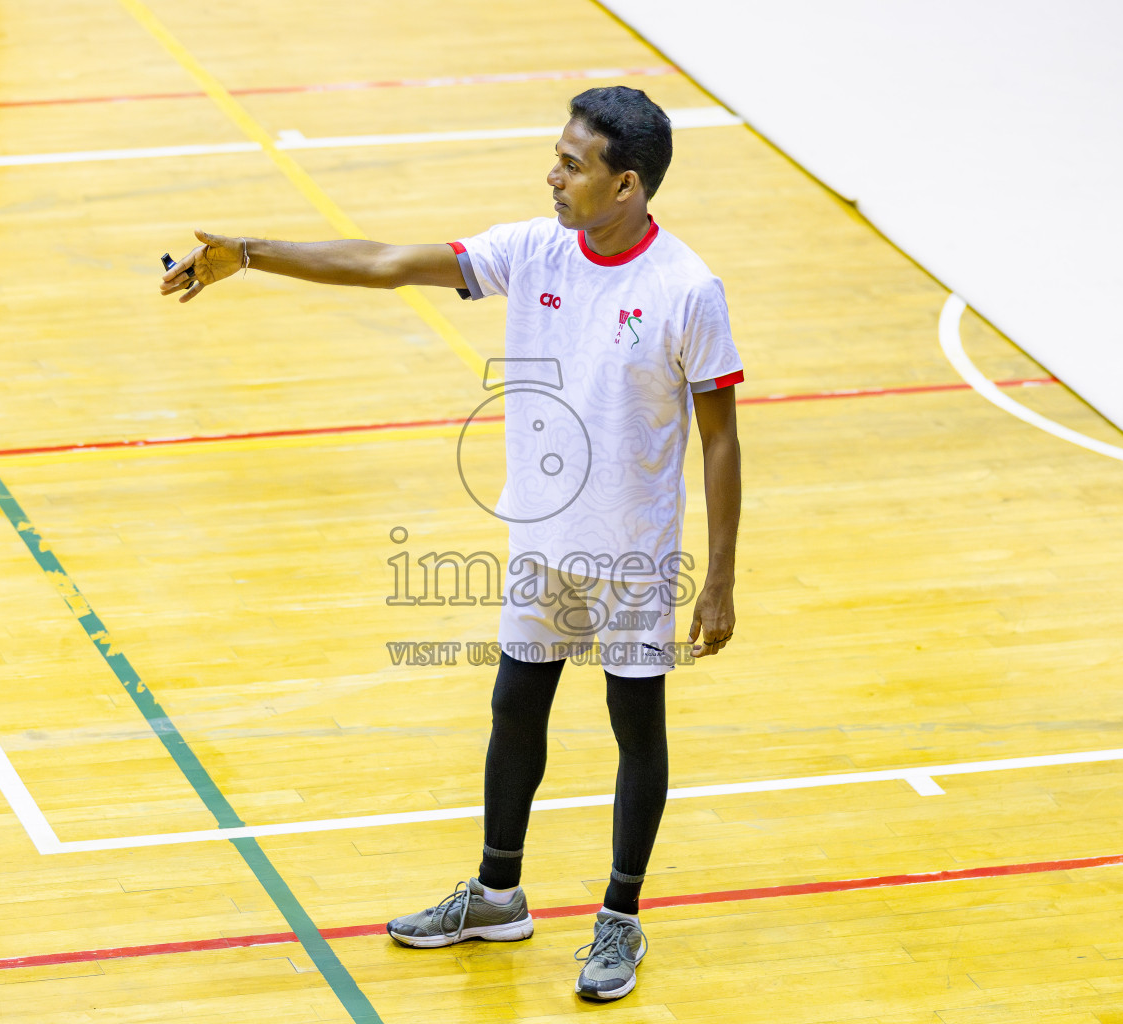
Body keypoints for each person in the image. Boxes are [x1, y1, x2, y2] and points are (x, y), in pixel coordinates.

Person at [161, 85, 742, 1002]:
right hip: (542, 540)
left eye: (572, 163)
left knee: (637, 729)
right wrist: (252, 254)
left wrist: (720, 580)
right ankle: (497, 895)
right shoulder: (533, 249)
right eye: (556, 155)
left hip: (634, 555)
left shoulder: (684, 289)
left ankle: (621, 917)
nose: (552, 173)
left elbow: (719, 436)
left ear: (627, 184)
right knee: (517, 707)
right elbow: (387, 261)